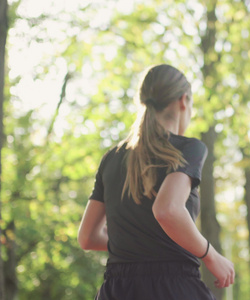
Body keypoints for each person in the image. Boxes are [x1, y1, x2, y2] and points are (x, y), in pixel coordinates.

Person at [78, 64, 235, 300]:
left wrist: (135, 240)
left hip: (118, 291)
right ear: (184, 101)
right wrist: (211, 255)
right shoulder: (187, 148)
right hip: (174, 288)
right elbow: (167, 210)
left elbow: (87, 238)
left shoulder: (112, 158)